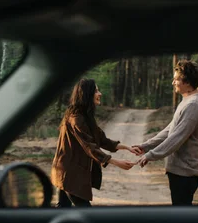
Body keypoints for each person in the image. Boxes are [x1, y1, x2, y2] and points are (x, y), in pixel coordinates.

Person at [131, 59, 198, 206]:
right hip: (179, 172)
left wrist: (151, 155)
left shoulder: (194, 105)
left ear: (186, 82)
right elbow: (170, 130)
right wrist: (146, 146)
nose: (173, 82)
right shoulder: (188, 100)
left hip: (185, 173)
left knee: (182, 219)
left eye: (176, 79)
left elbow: (176, 138)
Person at [51, 78, 136, 207]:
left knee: (63, 210)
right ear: (87, 94)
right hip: (69, 173)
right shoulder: (76, 118)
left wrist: (127, 148)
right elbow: (89, 146)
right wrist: (116, 162)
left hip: (71, 172)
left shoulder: (85, 116)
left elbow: (102, 140)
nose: (100, 94)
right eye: (96, 91)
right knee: (85, 212)